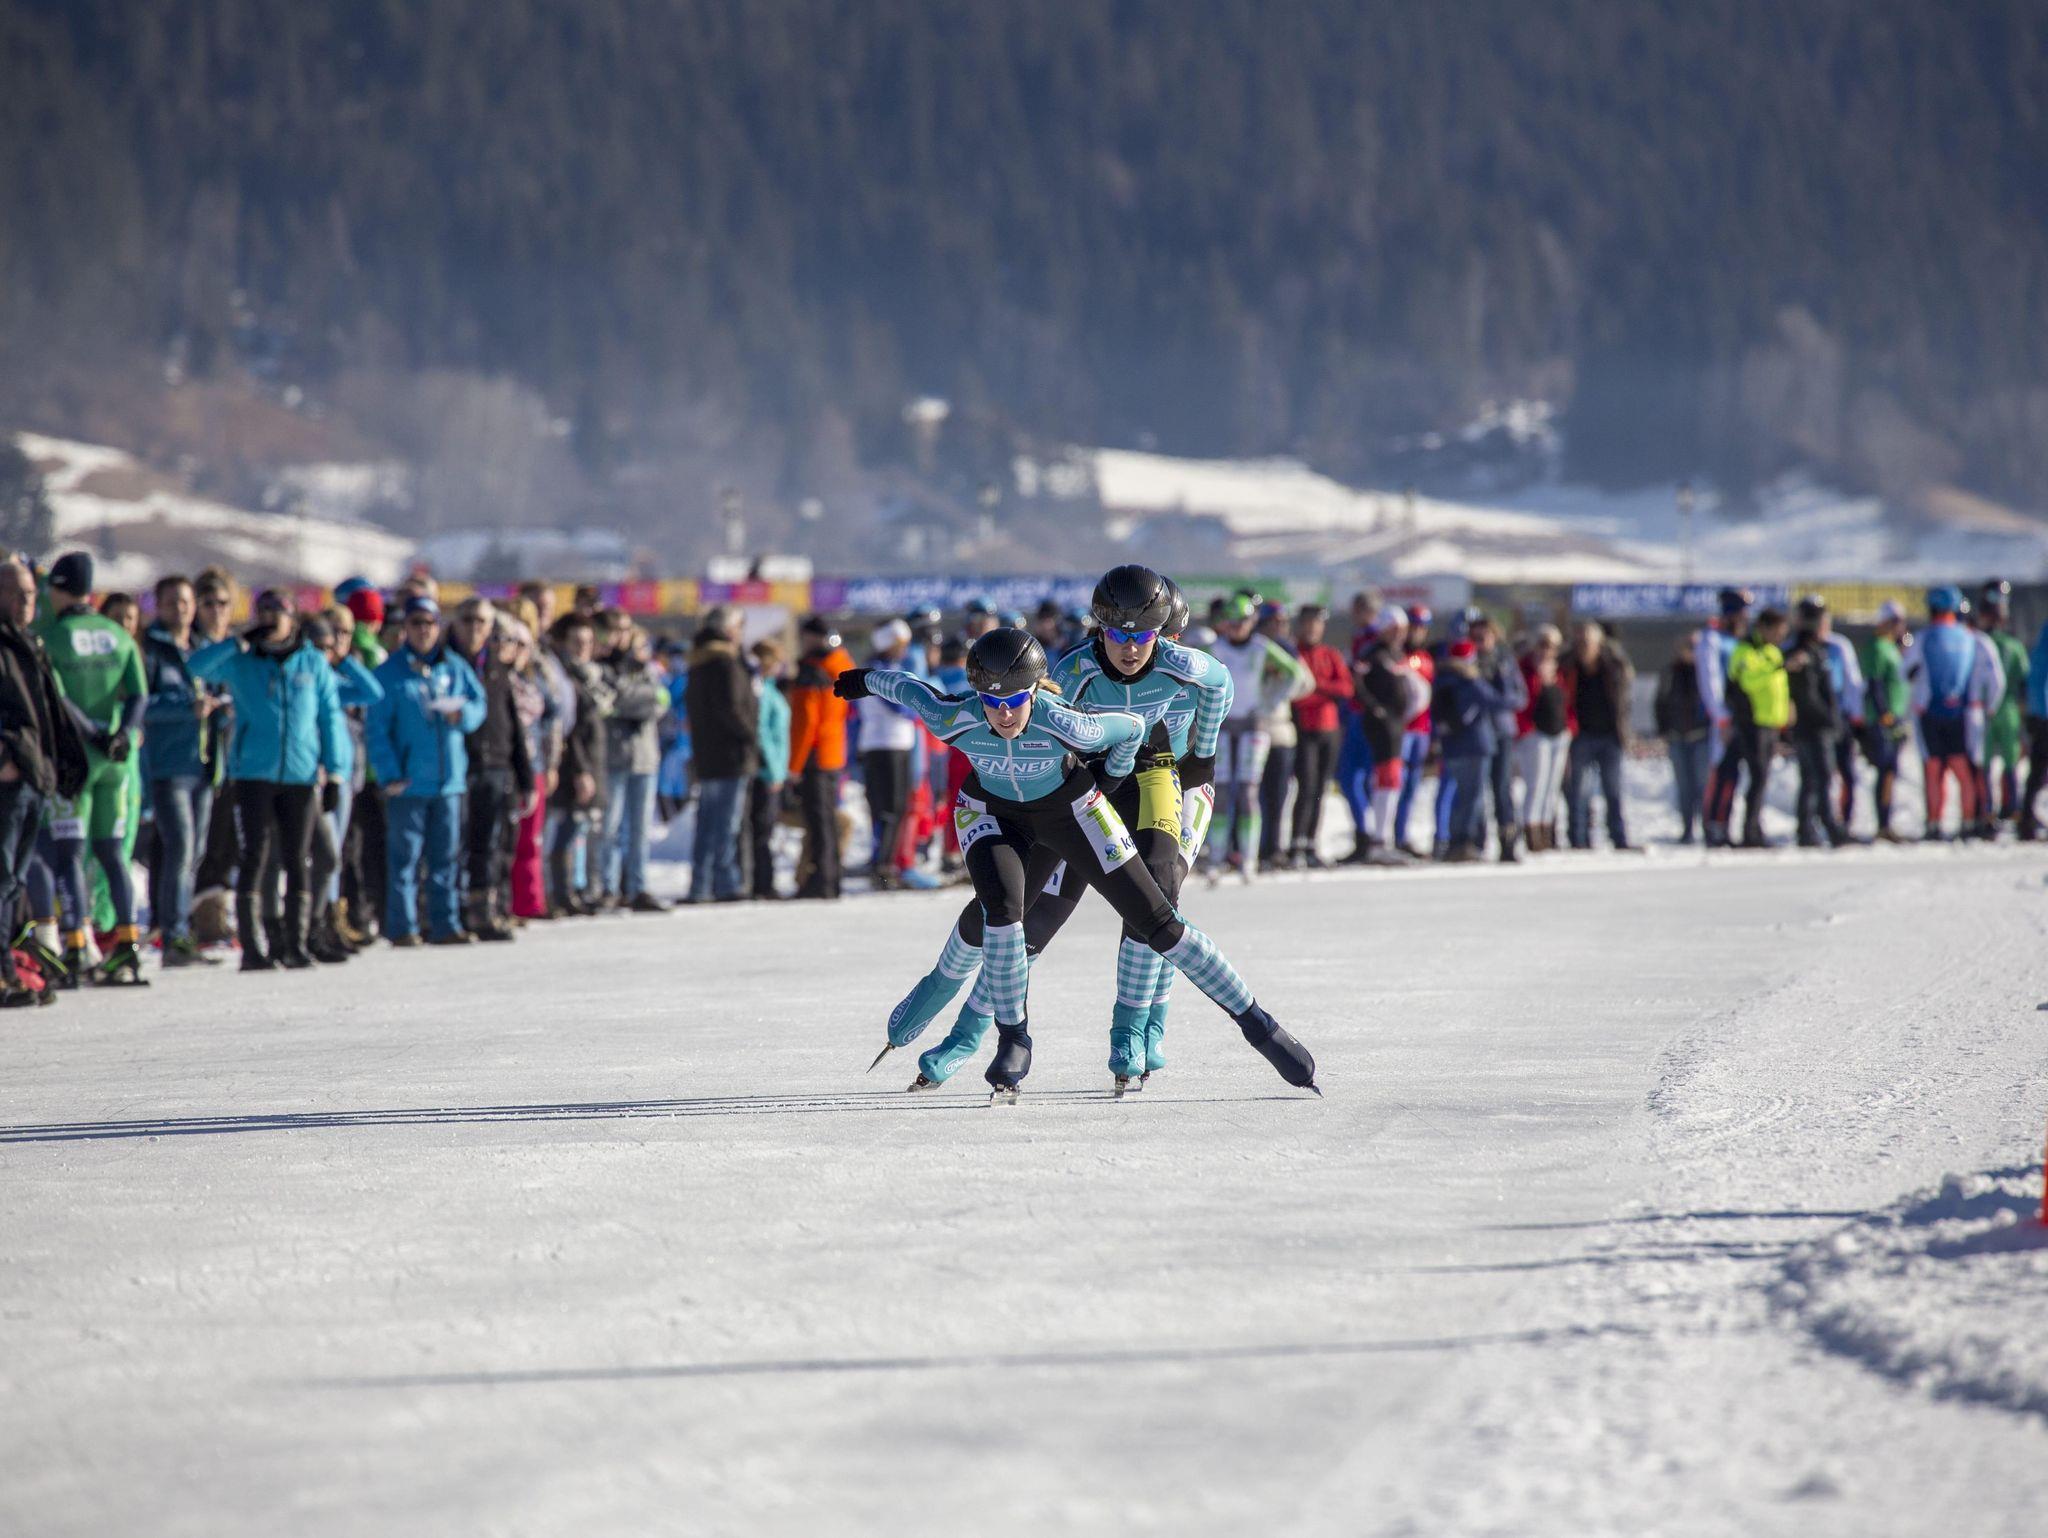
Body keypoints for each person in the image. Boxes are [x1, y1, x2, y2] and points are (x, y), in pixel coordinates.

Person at [843, 626, 1316, 1100]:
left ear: (1035, 691)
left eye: (1015, 701)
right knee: (1003, 915)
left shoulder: (1068, 722)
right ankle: (1012, 1038)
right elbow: (906, 687)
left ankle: (1261, 1028)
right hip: (991, 815)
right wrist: (863, 679)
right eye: (991, 702)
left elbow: (1132, 729)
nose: (1004, 714)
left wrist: (1110, 777)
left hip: (1072, 811)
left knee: (1158, 922)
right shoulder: (953, 717)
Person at [906, 566, 1234, 1091]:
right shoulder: (1081, 667)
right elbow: (1054, 721)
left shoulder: (1183, 666)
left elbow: (1220, 689)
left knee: (1159, 896)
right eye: (1126, 635)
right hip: (1091, 783)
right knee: (1033, 916)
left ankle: (1142, 1030)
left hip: (1166, 777)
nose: (1143, 650)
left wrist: (1203, 756)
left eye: (1161, 636)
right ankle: (965, 1035)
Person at [189, 589, 348, 969]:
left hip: (300, 774)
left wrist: (335, 773)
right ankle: (253, 947)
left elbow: (329, 717)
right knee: (254, 857)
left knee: (297, 858)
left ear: (292, 619)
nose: (270, 619)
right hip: (253, 774)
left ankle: (295, 944)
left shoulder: (311, 661)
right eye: (263, 612)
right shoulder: (242, 659)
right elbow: (196, 667)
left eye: (278, 612)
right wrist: (235, 642)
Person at [36, 552, 150, 983]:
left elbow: (60, 698)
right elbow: (139, 694)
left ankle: (77, 946)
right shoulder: (117, 636)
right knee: (113, 853)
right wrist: (121, 735)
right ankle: (128, 944)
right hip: (115, 763)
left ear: (59, 588)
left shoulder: (52, 636)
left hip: (73, 762)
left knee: (69, 854)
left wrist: (91, 734)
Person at [367, 595, 487, 946]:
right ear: (405, 627)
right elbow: (377, 731)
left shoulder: (453, 667)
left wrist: (463, 716)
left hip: (448, 780)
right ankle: (403, 926)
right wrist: (390, 773)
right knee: (404, 860)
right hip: (409, 782)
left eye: (430, 623)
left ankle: (445, 923)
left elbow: (479, 703)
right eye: (416, 623)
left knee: (446, 859)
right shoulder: (389, 673)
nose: (424, 630)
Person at [0, 559, 88, 1006]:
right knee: (2, 877)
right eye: (15, 594)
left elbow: (49, 710)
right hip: (10, 775)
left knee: (14, 880)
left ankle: (8, 967)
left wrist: (61, 764)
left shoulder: (29, 643)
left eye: (31, 594)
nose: (25, 601)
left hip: (34, 775)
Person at [140, 574, 224, 966]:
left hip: (204, 764)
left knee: (196, 852)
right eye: (172, 601)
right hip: (169, 765)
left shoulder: (204, 649)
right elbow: (142, 704)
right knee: (180, 847)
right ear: (158, 606)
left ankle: (180, 928)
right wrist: (185, 707)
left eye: (186, 601)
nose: (181, 609)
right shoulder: (152, 650)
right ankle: (173, 934)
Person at [1205, 594, 1311, 877]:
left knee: (1248, 791)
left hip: (1255, 725)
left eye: (1243, 621)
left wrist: (1272, 701)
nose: (1237, 627)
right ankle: (1216, 857)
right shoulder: (1214, 648)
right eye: (1232, 621)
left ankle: (1248, 858)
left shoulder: (1261, 647)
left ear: (1252, 621)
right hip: (1223, 726)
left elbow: (1295, 673)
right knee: (1221, 791)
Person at [450, 598, 537, 937]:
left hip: (496, 766)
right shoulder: (447, 663)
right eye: (468, 620)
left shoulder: (497, 668)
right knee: (455, 845)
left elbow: (514, 726)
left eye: (482, 622)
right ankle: (449, 912)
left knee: (490, 845)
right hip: (459, 766)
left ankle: (484, 911)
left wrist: (526, 778)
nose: (475, 628)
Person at [1906, 585, 2000, 841]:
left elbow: (1907, 672)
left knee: (1933, 770)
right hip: (1961, 713)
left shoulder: (1923, 637)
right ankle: (1969, 821)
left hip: (1929, 713)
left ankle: (1934, 824)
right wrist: (1989, 707)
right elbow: (1995, 681)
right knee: (1963, 769)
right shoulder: (1971, 638)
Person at [682, 605, 758, 905]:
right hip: (731, 755)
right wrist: (751, 737)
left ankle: (701, 883)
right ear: (728, 630)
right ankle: (724, 882)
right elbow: (733, 709)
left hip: (707, 753)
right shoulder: (725, 664)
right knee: (725, 824)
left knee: (708, 823)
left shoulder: (698, 662)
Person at [596, 612, 666, 909]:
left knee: (639, 829)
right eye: (615, 630)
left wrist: (629, 700)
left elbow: (660, 701)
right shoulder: (599, 665)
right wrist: (637, 699)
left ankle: (638, 886)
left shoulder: (643, 666)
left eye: (625, 630)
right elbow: (609, 700)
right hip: (613, 757)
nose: (620, 636)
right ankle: (608, 887)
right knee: (609, 828)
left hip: (644, 757)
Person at [546, 612, 611, 914]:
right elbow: (569, 731)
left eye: (587, 641)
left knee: (580, 830)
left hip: (592, 761)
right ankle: (560, 891)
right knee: (566, 830)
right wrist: (581, 769)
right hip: (571, 765)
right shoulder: (562, 677)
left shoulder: (589, 676)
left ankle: (576, 887)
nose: (583, 648)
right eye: (576, 642)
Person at [1431, 637, 1517, 862]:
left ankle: (1454, 841)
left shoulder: (1441, 679)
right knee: (1472, 797)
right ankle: (1464, 842)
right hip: (1476, 745)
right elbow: (1500, 702)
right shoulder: (1470, 680)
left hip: (1452, 747)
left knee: (1460, 795)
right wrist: (1501, 679)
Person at [786, 616, 853, 900]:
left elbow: (805, 724)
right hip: (833, 752)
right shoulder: (840, 664)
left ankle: (820, 881)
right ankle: (831, 879)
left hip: (814, 756)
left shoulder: (811, 672)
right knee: (828, 821)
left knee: (819, 824)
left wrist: (794, 766)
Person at [1352, 610, 1425, 863]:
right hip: (1382, 726)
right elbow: (1358, 683)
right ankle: (1379, 840)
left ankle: (1385, 838)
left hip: (1397, 724)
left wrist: (1407, 711)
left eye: (1401, 630)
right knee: (1386, 779)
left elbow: (1417, 689)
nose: (1399, 634)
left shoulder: (1398, 655)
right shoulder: (1374, 654)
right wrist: (1377, 709)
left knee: (1394, 781)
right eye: (1394, 629)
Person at [853, 618, 920, 891]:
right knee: (888, 809)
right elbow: (902, 705)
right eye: (900, 643)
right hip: (883, 745)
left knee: (897, 807)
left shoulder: (892, 668)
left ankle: (886, 862)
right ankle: (881, 865)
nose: (904, 649)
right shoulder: (878, 672)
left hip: (896, 744)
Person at [1560, 620, 1635, 852]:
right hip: (1580, 736)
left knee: (1613, 791)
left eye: (1589, 641)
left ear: (1599, 643)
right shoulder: (1569, 665)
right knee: (1579, 792)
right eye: (1581, 641)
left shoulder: (1612, 665)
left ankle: (1618, 836)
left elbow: (1626, 687)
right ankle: (1578, 838)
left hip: (1610, 735)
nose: (1584, 646)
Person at [1287, 603, 1352, 867]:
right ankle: (1296, 843)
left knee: (1320, 789)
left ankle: (1311, 843)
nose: (1312, 629)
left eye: (1317, 624)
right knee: (1306, 786)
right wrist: (1321, 691)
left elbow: (1345, 688)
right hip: (1305, 729)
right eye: (1308, 623)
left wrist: (1316, 686)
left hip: (1329, 729)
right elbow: (1296, 694)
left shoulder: (1330, 654)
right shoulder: (1294, 654)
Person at [1725, 608, 1792, 848]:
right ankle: (1749, 831)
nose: (1780, 637)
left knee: (1762, 778)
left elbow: (1779, 688)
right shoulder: (1745, 650)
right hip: (1751, 723)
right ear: (1763, 627)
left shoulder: (1772, 652)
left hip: (1770, 723)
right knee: (1757, 777)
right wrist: (1776, 669)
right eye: (1777, 631)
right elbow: (1748, 682)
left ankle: (1755, 828)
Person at [1785, 596, 1848, 847]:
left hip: (1814, 725)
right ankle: (1828, 827)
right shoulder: (1802, 653)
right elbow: (1807, 696)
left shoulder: (1817, 650)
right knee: (1820, 778)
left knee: (1812, 779)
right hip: (1813, 727)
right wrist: (1830, 719)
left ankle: (1807, 828)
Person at [1464, 611, 1527, 861]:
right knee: (1477, 790)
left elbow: (1519, 696)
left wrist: (1498, 701)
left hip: (1502, 731)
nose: (1480, 642)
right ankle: (1477, 842)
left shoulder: (1505, 660)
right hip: (1478, 733)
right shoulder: (1468, 661)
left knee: (1503, 789)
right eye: (1475, 637)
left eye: (1484, 636)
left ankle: (1508, 842)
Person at [1699, 587, 1753, 847]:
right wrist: (1721, 717)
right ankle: (1714, 826)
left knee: (1733, 775)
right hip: (1722, 721)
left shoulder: (1739, 641)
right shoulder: (1712, 639)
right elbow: (1710, 681)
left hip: (1740, 718)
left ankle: (1726, 823)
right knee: (1720, 773)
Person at [1514, 625, 1571, 852]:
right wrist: (1525, 728)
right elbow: (1521, 701)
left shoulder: (1559, 670)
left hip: (1558, 733)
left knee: (1552, 786)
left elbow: (1566, 701)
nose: (1547, 650)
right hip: (1535, 734)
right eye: (1543, 645)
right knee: (1536, 784)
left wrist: (1570, 727)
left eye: (1552, 646)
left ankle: (1547, 830)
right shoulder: (1525, 668)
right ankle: (1531, 830)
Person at [1976, 581, 2029, 827]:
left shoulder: (1977, 643)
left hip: (1983, 710)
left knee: (1984, 761)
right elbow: (2024, 682)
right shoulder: (2014, 646)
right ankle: (2012, 806)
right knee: (2010, 760)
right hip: (2008, 709)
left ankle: (1986, 808)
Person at [1654, 632, 1712, 845]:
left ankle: (1708, 828)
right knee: (1684, 787)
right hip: (1677, 736)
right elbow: (1660, 701)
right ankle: (1687, 829)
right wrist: (1663, 729)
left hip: (1701, 735)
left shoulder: (1707, 671)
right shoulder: (1670, 672)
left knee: (1703, 785)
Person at [1861, 601, 1912, 842]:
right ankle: (1882, 823)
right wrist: (1884, 713)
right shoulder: (1877, 647)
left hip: (1896, 717)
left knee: (1892, 771)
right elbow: (1875, 682)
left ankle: (1887, 822)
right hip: (1883, 719)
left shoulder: (1893, 647)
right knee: (1885, 770)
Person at [746, 638, 791, 899]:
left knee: (766, 829)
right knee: (762, 830)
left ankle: (763, 880)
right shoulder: (761, 690)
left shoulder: (771, 689)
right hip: (766, 772)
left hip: (775, 769)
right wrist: (773, 770)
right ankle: (762, 883)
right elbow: (762, 732)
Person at [1390, 606, 1437, 856]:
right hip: (1402, 730)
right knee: (1395, 784)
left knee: (1412, 786)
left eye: (1422, 628)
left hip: (1421, 730)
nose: (1417, 632)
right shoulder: (1397, 656)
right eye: (1414, 627)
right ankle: (1387, 835)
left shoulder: (1426, 658)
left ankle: (1402, 833)